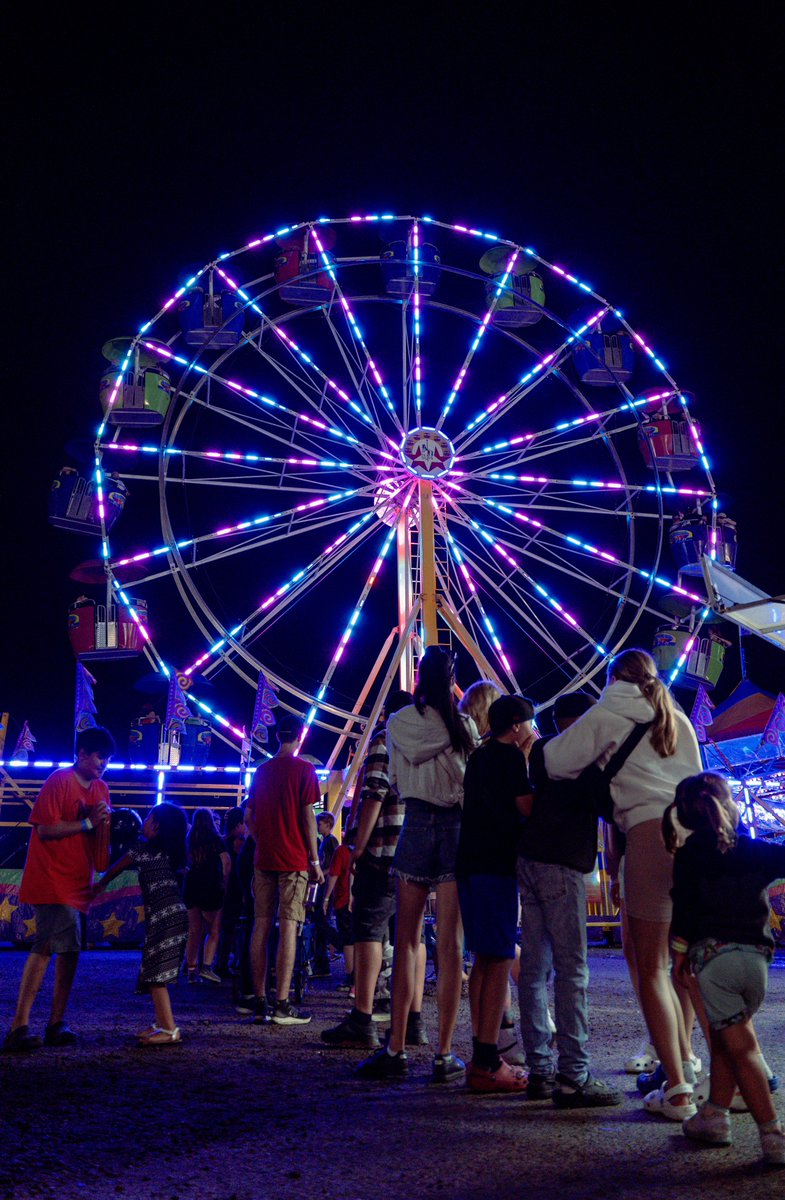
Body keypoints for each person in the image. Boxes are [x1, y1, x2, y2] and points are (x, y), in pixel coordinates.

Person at [543, 648, 702, 1120]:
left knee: (649, 967)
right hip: (694, 839)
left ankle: (676, 1088)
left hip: (648, 834)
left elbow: (555, 760)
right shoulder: (676, 718)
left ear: (615, 677)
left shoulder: (609, 709)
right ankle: (695, 1065)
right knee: (686, 964)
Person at [356, 647, 478, 1082]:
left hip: (417, 822)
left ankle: (396, 1047)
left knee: (405, 939)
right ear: (453, 679)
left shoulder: (399, 722)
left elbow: (398, 771)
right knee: (451, 947)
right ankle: (444, 1053)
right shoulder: (463, 726)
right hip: (457, 827)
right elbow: (470, 781)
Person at [664, 773, 785, 1167]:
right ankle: (714, 1114)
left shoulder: (689, 855)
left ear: (683, 815)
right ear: (728, 805)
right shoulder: (751, 850)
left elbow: (683, 912)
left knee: (743, 1046)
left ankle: (773, 1135)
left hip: (716, 965)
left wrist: (679, 955)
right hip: (756, 965)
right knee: (725, 1040)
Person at [517, 691, 622, 1107]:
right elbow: (611, 808)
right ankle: (573, 1075)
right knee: (572, 970)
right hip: (563, 864)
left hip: (529, 858)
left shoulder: (542, 751)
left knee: (534, 971)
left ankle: (539, 1071)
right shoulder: (585, 761)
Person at [2, 726, 115, 1052]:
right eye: (98, 756)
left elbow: (99, 841)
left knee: (68, 950)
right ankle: (19, 1026)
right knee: (49, 944)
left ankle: (54, 1023)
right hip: (52, 879)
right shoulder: (59, 781)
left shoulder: (102, 790)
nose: (103, 762)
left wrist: (103, 832)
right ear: (81, 754)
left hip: (78, 883)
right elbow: (46, 830)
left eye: (106, 758)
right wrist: (88, 823)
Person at [321, 689, 421, 1052]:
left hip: (382, 852)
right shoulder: (428, 741)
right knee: (414, 938)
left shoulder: (387, 738)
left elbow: (374, 793)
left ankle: (362, 1017)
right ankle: (414, 1018)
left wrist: (358, 847)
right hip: (417, 852)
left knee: (368, 932)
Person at [457, 695, 534, 1094]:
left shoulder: (479, 757)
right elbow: (526, 807)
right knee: (501, 956)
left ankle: (483, 1053)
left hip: (469, 864)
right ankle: (487, 1060)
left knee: (484, 958)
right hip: (496, 865)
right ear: (518, 725)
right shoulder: (509, 758)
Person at [245, 713, 324, 1025]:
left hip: (264, 858)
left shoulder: (261, 771)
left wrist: (261, 838)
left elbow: (248, 817)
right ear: (299, 736)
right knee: (289, 926)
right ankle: (281, 1002)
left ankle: (259, 999)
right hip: (293, 860)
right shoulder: (305, 770)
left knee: (260, 925)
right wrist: (315, 860)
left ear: (277, 735)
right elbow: (309, 817)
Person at [94, 802, 189, 1045]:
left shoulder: (142, 850)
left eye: (148, 819)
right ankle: (161, 1022)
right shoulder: (169, 853)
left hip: (164, 918)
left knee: (156, 975)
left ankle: (170, 1030)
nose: (142, 823)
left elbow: (116, 865)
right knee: (152, 972)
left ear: (157, 827)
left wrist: (100, 884)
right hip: (171, 916)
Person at [183, 808, 231, 983]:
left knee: (194, 930)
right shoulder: (216, 839)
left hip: (190, 887)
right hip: (210, 886)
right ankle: (207, 967)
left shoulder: (188, 839)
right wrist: (224, 884)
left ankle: (190, 970)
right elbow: (226, 864)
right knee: (214, 930)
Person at [312, 811, 339, 977]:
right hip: (323, 886)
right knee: (319, 924)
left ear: (327, 824)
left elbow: (336, 865)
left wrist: (321, 873)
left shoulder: (331, 841)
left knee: (322, 921)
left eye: (319, 823)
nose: (317, 826)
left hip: (326, 887)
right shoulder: (324, 841)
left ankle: (342, 942)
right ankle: (322, 965)